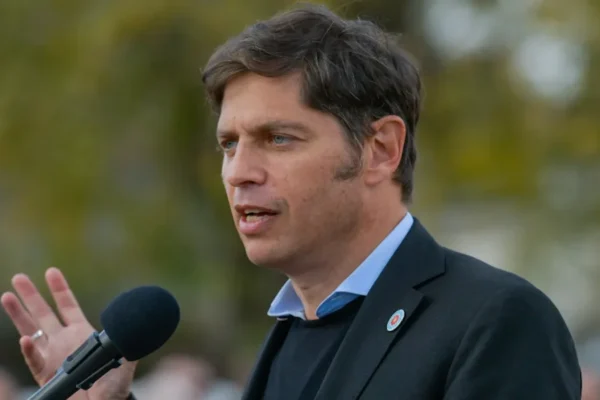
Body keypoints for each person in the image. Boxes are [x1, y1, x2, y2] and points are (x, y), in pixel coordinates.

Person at [1, 3, 582, 400]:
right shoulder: (290, 332)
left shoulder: (495, 321)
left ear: (380, 149)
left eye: (278, 138)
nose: (239, 172)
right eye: (229, 144)